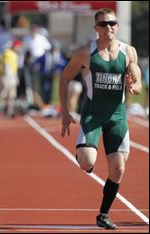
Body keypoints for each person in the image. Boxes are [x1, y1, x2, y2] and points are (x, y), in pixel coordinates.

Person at [59, 8, 142, 230]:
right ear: (96, 28)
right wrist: (65, 112)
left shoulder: (129, 52)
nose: (109, 28)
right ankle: (85, 159)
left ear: (117, 26)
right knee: (87, 161)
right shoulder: (85, 53)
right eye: (103, 24)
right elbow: (65, 78)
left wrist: (134, 87)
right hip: (93, 114)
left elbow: (138, 79)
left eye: (112, 23)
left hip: (117, 116)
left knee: (118, 169)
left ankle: (103, 214)